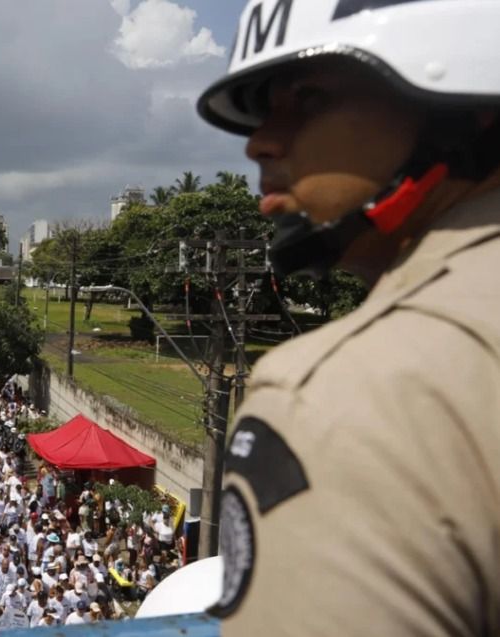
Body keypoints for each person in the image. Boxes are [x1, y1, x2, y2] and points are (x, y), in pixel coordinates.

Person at [196, 1, 500, 635]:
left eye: (308, 99)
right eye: (262, 109)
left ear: (466, 110)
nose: (259, 142)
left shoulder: (339, 398)